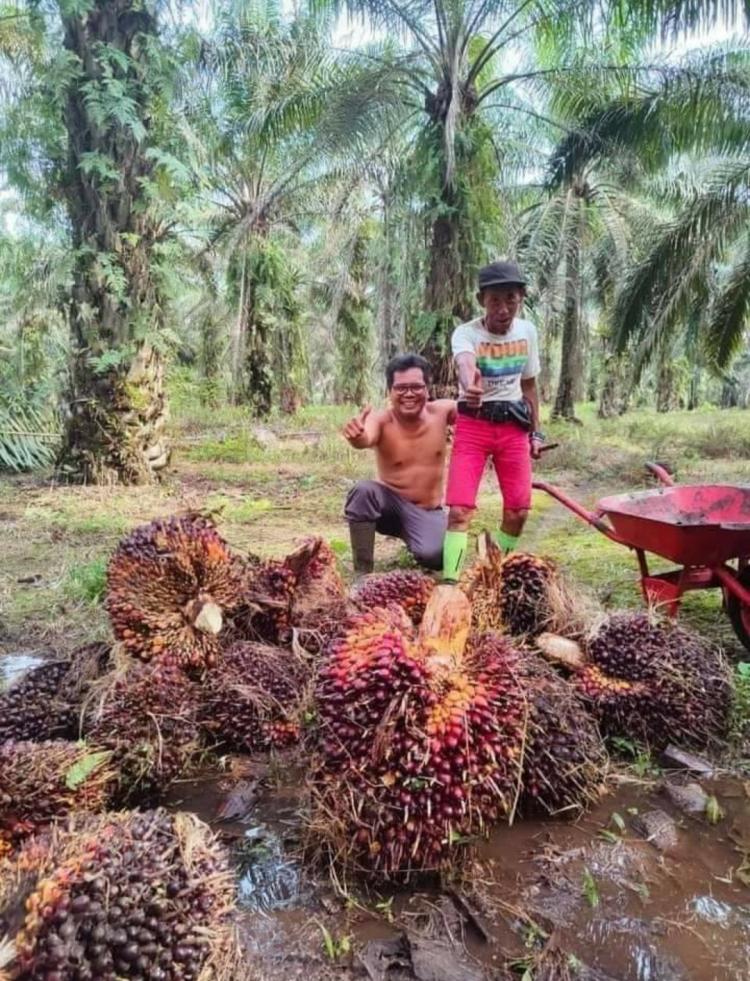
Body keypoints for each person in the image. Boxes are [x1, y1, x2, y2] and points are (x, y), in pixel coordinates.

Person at [442, 259, 543, 581]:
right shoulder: (466, 333)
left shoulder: (527, 332)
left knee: (518, 512)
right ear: (481, 300)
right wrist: (471, 383)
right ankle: (450, 582)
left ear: (521, 298)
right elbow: (465, 362)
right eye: (495, 300)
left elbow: (529, 385)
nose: (503, 308)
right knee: (459, 512)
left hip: (513, 426)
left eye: (510, 299)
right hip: (473, 426)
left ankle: (492, 573)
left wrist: (536, 433)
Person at [343, 353, 456, 575]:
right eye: (401, 388)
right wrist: (357, 437)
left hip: (427, 511)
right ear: (390, 391)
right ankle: (362, 575)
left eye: (416, 387)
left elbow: (476, 412)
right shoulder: (381, 420)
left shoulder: (442, 412)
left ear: (427, 388)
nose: (409, 394)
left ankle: (420, 540)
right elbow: (366, 437)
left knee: (437, 556)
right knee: (362, 491)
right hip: (388, 508)